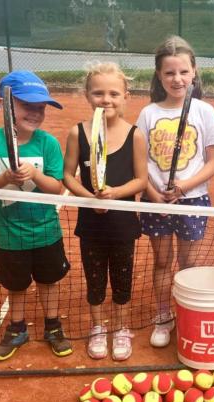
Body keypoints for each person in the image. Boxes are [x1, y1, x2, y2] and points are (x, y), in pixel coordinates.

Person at [0, 70, 72, 361]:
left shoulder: (48, 143)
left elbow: (56, 188)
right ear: (5, 105)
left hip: (46, 232)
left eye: (40, 107)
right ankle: (17, 328)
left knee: (49, 281)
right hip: (9, 236)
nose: (36, 112)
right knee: (15, 285)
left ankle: (53, 326)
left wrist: (36, 175)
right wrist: (4, 177)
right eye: (27, 105)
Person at [136, 35, 214, 347]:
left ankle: (188, 313)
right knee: (162, 262)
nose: (177, 79)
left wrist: (184, 186)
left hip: (193, 201)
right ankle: (163, 317)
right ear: (159, 76)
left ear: (194, 72)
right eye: (169, 73)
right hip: (156, 202)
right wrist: (153, 192)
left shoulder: (205, 111)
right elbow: (141, 163)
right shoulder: (148, 114)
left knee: (189, 264)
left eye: (183, 72)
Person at [63, 62, 148, 361]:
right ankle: (97, 327)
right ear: (87, 95)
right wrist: (90, 198)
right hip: (91, 225)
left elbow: (141, 179)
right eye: (98, 93)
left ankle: (121, 328)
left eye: (114, 93)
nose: (106, 99)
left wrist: (114, 194)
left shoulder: (135, 135)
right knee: (95, 280)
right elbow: (68, 175)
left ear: (126, 96)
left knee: (123, 279)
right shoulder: (77, 133)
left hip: (123, 225)